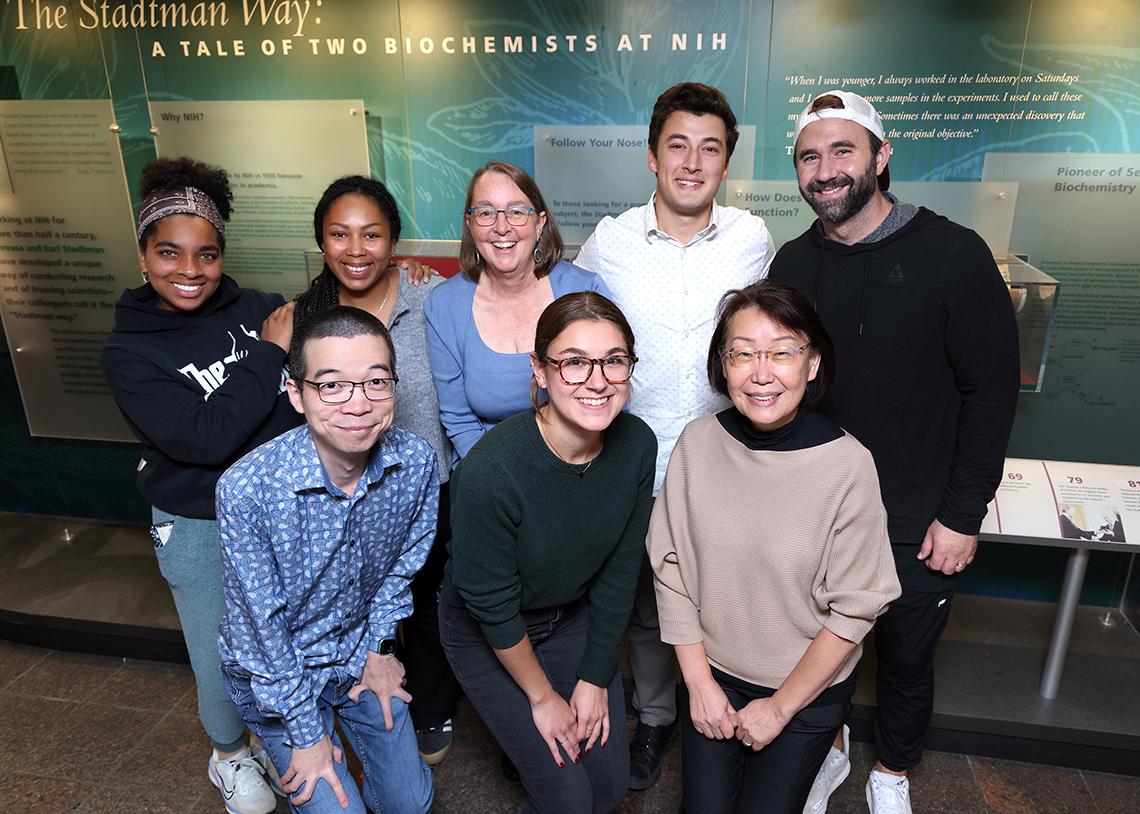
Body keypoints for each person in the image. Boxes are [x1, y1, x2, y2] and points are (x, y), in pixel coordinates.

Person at [769, 90, 1019, 814]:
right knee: (818, 652)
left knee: (906, 660)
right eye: (809, 157)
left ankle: (893, 771)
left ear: (881, 156)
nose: (825, 170)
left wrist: (962, 514)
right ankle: (830, 751)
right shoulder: (792, 262)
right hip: (814, 517)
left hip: (917, 519)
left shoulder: (954, 254)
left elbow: (990, 393)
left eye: (843, 150)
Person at [574, 81, 775, 790]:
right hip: (637, 461)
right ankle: (658, 718)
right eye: (678, 146)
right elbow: (570, 324)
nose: (692, 163)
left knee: (730, 601)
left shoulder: (752, 239)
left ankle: (728, 720)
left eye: (709, 149)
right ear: (652, 156)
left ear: (726, 163)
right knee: (648, 608)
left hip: (730, 464)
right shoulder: (611, 241)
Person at [648, 280, 900, 813]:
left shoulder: (849, 466)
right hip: (711, 672)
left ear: (812, 363)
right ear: (723, 365)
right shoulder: (698, 443)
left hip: (805, 690)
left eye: (782, 352)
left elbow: (856, 607)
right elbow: (670, 567)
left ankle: (828, 750)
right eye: (742, 354)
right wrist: (698, 682)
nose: (761, 373)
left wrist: (780, 708)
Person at [101, 157, 299, 814]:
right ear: (143, 254)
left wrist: (405, 276)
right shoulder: (129, 351)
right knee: (218, 650)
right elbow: (204, 439)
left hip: (274, 512)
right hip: (196, 521)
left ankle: (271, 735)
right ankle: (229, 753)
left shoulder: (258, 308)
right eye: (169, 252)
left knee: (278, 637)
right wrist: (268, 356)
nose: (189, 269)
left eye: (206, 253)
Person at [439, 292, 656, 813]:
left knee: (609, 788)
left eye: (614, 360)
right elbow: (492, 606)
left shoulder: (637, 445)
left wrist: (594, 676)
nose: (598, 380)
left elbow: (620, 571)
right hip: (488, 629)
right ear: (539, 369)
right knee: (569, 799)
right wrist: (543, 698)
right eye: (574, 362)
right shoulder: (491, 471)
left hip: (570, 618)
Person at [217, 306, 436, 814]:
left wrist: (382, 649)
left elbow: (401, 569)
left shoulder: (415, 463)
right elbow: (261, 632)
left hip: (359, 650)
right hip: (280, 673)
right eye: (332, 386)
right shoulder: (248, 490)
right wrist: (305, 734)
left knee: (411, 805)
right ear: (295, 393)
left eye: (376, 382)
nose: (358, 404)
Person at [294, 175, 459, 765]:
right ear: (321, 241)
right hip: (348, 495)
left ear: (394, 241)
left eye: (372, 234)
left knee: (433, 602)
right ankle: (367, 697)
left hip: (431, 487)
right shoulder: (306, 317)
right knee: (362, 603)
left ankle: (433, 706)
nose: (356, 249)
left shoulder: (433, 295)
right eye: (339, 235)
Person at [425, 160, 611, 462]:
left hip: (579, 462)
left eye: (516, 212)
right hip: (486, 465)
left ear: (539, 223)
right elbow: (458, 418)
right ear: (470, 224)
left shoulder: (584, 290)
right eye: (486, 212)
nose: (502, 227)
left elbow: (610, 389)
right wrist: (501, 478)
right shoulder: (445, 304)